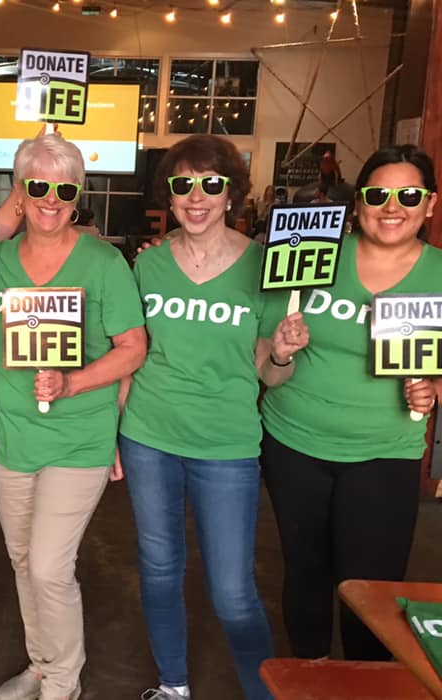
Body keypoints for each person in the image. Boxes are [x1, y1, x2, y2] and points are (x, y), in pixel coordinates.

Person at [117, 134, 308, 700]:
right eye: (183, 185)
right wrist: (111, 435)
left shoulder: (264, 268)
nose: (196, 196)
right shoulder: (147, 265)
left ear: (231, 194)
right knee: (158, 570)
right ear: (169, 196)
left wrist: (282, 354)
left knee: (233, 592)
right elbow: (131, 354)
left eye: (211, 183)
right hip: (148, 437)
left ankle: (262, 693)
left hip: (227, 446)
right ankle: (172, 684)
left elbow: (269, 375)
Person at [260, 144, 441, 661]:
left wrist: (433, 388)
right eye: (378, 195)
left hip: (385, 451)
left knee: (373, 586)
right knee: (306, 571)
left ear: (430, 204)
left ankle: (367, 684)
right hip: (293, 443)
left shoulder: (439, 275)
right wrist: (280, 350)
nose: (392, 207)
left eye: (409, 196)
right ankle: (313, 673)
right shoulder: (312, 253)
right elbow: (266, 365)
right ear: (358, 204)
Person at [0, 134, 147, 700]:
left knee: (50, 567)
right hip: (11, 436)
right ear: (19, 193)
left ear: (78, 195)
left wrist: (72, 382)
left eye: (65, 189)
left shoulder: (103, 262)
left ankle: (63, 681)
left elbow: (133, 348)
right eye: (38, 187)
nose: (51, 199)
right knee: (22, 560)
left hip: (79, 437)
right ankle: (41, 662)